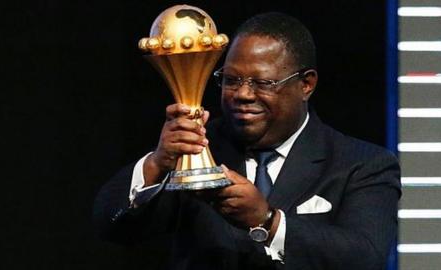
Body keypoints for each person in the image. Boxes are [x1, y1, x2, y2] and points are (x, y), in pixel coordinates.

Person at [93, 12, 401, 270]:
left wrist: (268, 222)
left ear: (306, 84)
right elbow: (113, 227)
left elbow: (365, 257)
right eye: (231, 80)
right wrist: (156, 163)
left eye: (262, 82)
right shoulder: (198, 147)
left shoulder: (362, 164)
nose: (243, 94)